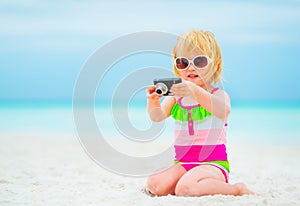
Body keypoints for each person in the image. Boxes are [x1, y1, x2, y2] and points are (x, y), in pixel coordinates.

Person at [145, 30, 254, 197]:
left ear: (215, 65)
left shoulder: (217, 95)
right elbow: (157, 117)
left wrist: (194, 90)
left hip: (212, 164)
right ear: (177, 67)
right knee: (155, 184)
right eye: (183, 62)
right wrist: (152, 101)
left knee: (185, 188)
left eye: (200, 61)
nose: (191, 67)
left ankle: (236, 189)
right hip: (183, 163)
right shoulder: (177, 97)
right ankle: (191, 182)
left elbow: (223, 110)